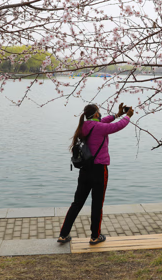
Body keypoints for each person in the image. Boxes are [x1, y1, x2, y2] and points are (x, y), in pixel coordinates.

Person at [58, 103, 134, 245]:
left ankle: (63, 234)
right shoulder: (99, 128)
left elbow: (103, 122)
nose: (101, 114)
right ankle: (95, 236)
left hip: (85, 170)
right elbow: (116, 127)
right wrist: (128, 117)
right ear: (96, 114)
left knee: (77, 203)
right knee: (97, 204)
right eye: (99, 112)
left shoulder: (84, 126)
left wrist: (117, 115)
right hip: (99, 170)